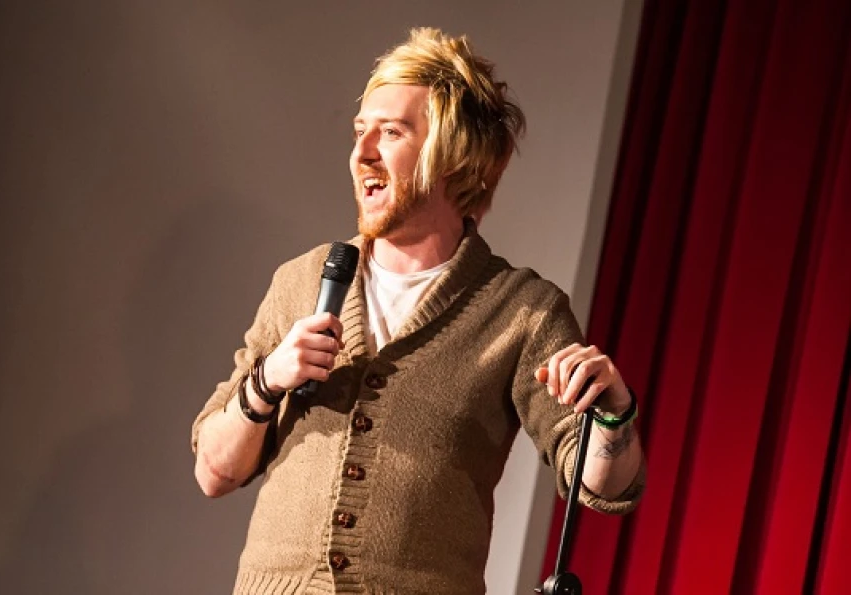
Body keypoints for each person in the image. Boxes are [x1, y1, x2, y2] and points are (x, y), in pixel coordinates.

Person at [191, 27, 645, 595]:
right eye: (360, 131)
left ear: (454, 159)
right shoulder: (302, 280)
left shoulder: (520, 310)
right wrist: (266, 381)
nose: (362, 153)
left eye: (391, 132)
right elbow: (214, 471)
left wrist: (614, 414)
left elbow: (602, 485)